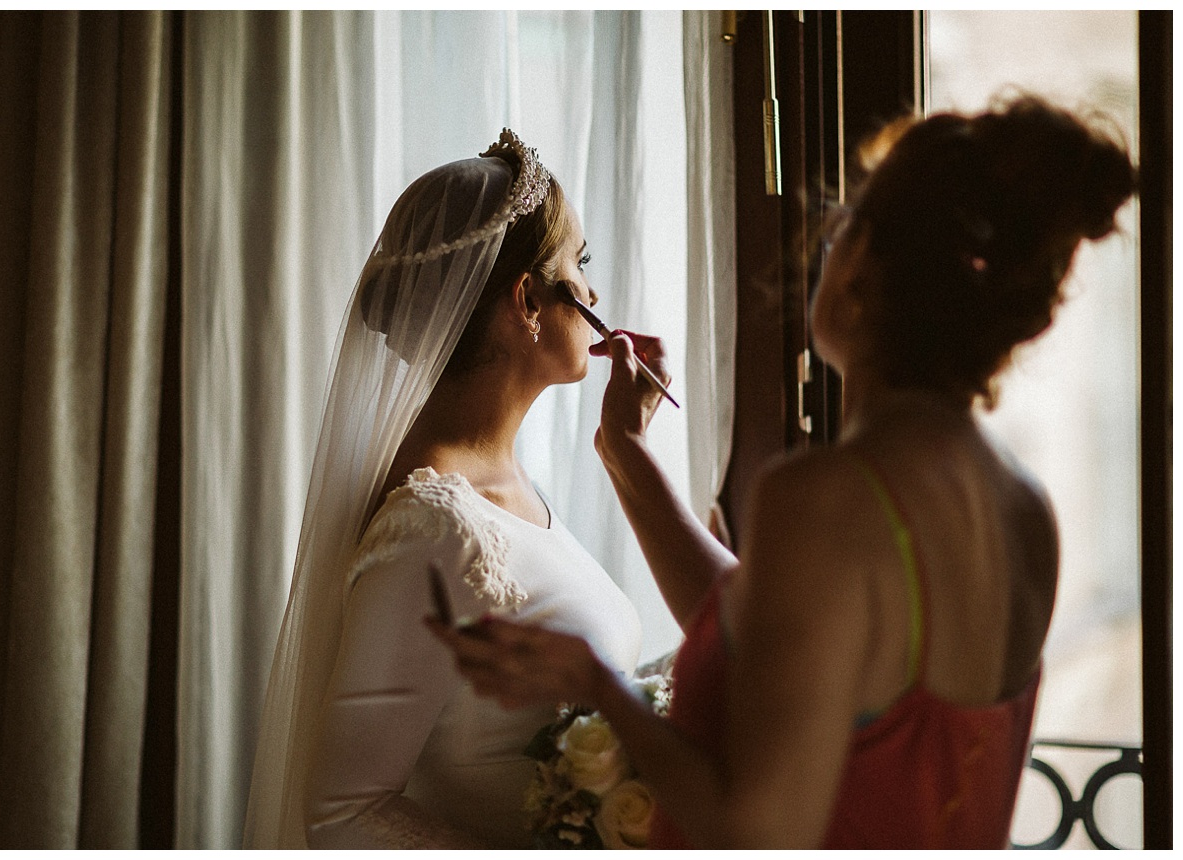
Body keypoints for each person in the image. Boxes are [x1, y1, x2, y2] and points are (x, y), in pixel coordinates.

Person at [430, 96, 1136, 848]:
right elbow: (780, 639)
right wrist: (627, 454)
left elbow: (757, 830)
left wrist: (597, 687)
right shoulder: (1024, 509)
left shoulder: (827, 499)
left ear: (861, 269)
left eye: (840, 230)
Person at [243, 130, 643, 848]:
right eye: (578, 264)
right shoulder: (435, 526)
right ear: (527, 298)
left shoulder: (513, 488)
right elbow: (342, 815)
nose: (593, 291)